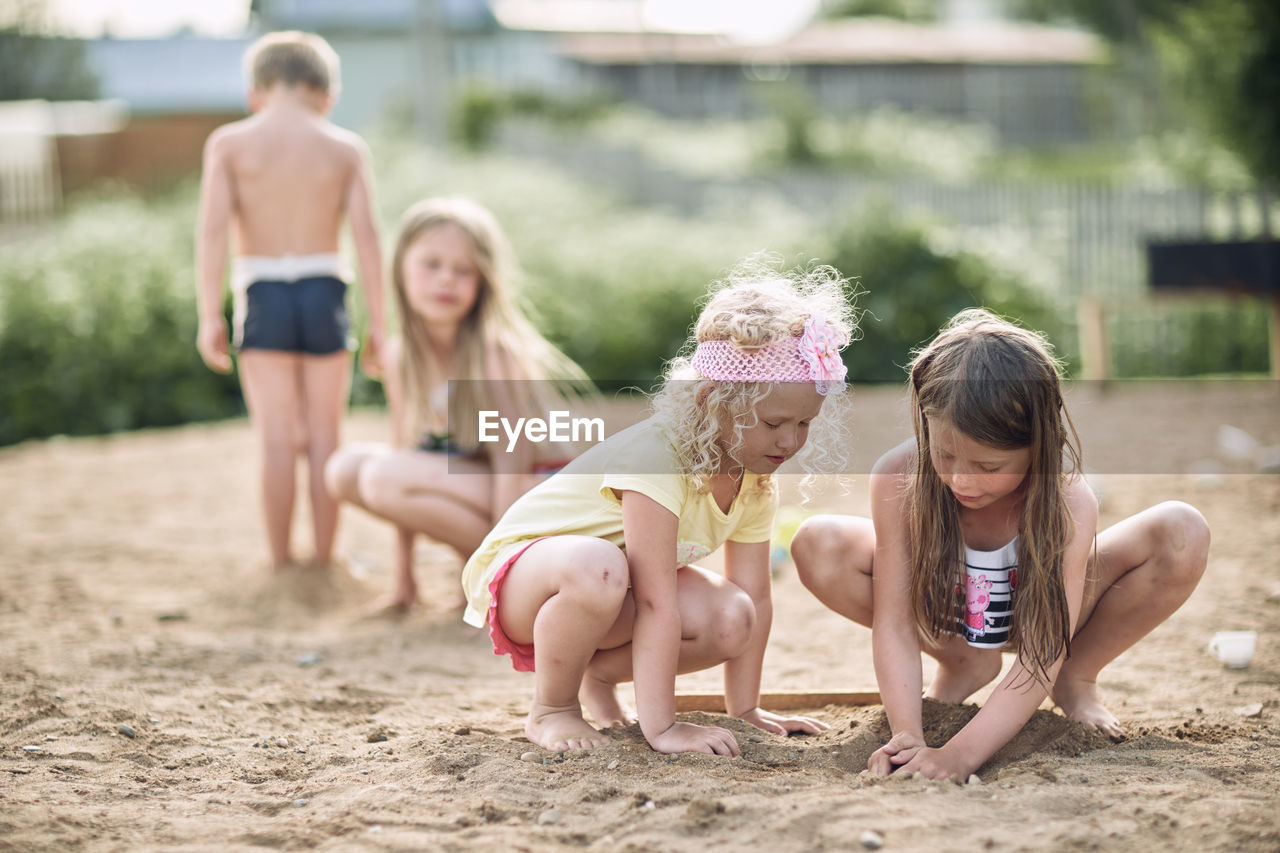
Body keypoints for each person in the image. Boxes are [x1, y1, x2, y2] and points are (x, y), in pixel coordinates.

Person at [791, 308, 1210, 781]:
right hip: (947, 610)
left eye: (989, 467)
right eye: (945, 454)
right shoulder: (898, 475)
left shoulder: (1069, 502)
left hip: (1045, 622)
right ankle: (964, 661)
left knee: (1182, 529)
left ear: (1040, 444)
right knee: (818, 540)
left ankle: (1077, 677)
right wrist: (907, 733)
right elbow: (894, 624)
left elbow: (1042, 651)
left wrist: (960, 755)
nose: (961, 479)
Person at [459, 261, 856, 754]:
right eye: (774, 422)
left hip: (607, 590)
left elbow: (757, 595)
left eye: (804, 424)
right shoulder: (658, 459)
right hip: (528, 580)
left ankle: (594, 677)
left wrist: (745, 710)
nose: (790, 440)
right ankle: (553, 709)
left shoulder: (755, 478)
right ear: (714, 400)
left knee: (734, 616)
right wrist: (663, 728)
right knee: (599, 567)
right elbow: (655, 602)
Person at [324, 197, 591, 612]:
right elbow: (408, 451)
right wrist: (404, 580)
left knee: (385, 476)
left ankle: (507, 576)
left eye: (463, 270)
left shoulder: (494, 356)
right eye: (431, 264)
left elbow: (511, 466)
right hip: (480, 483)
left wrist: (498, 576)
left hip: (538, 488)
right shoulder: (400, 358)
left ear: (482, 282)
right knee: (346, 470)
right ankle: (475, 571)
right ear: (401, 269)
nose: (446, 280)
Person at [195, 31, 386, 572]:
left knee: (277, 441)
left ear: (257, 90)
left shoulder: (230, 143)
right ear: (324, 92)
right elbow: (368, 240)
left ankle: (281, 561)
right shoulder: (345, 147)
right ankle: (325, 558)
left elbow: (212, 233)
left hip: (263, 292)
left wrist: (210, 313)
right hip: (326, 289)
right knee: (327, 434)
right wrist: (381, 325)